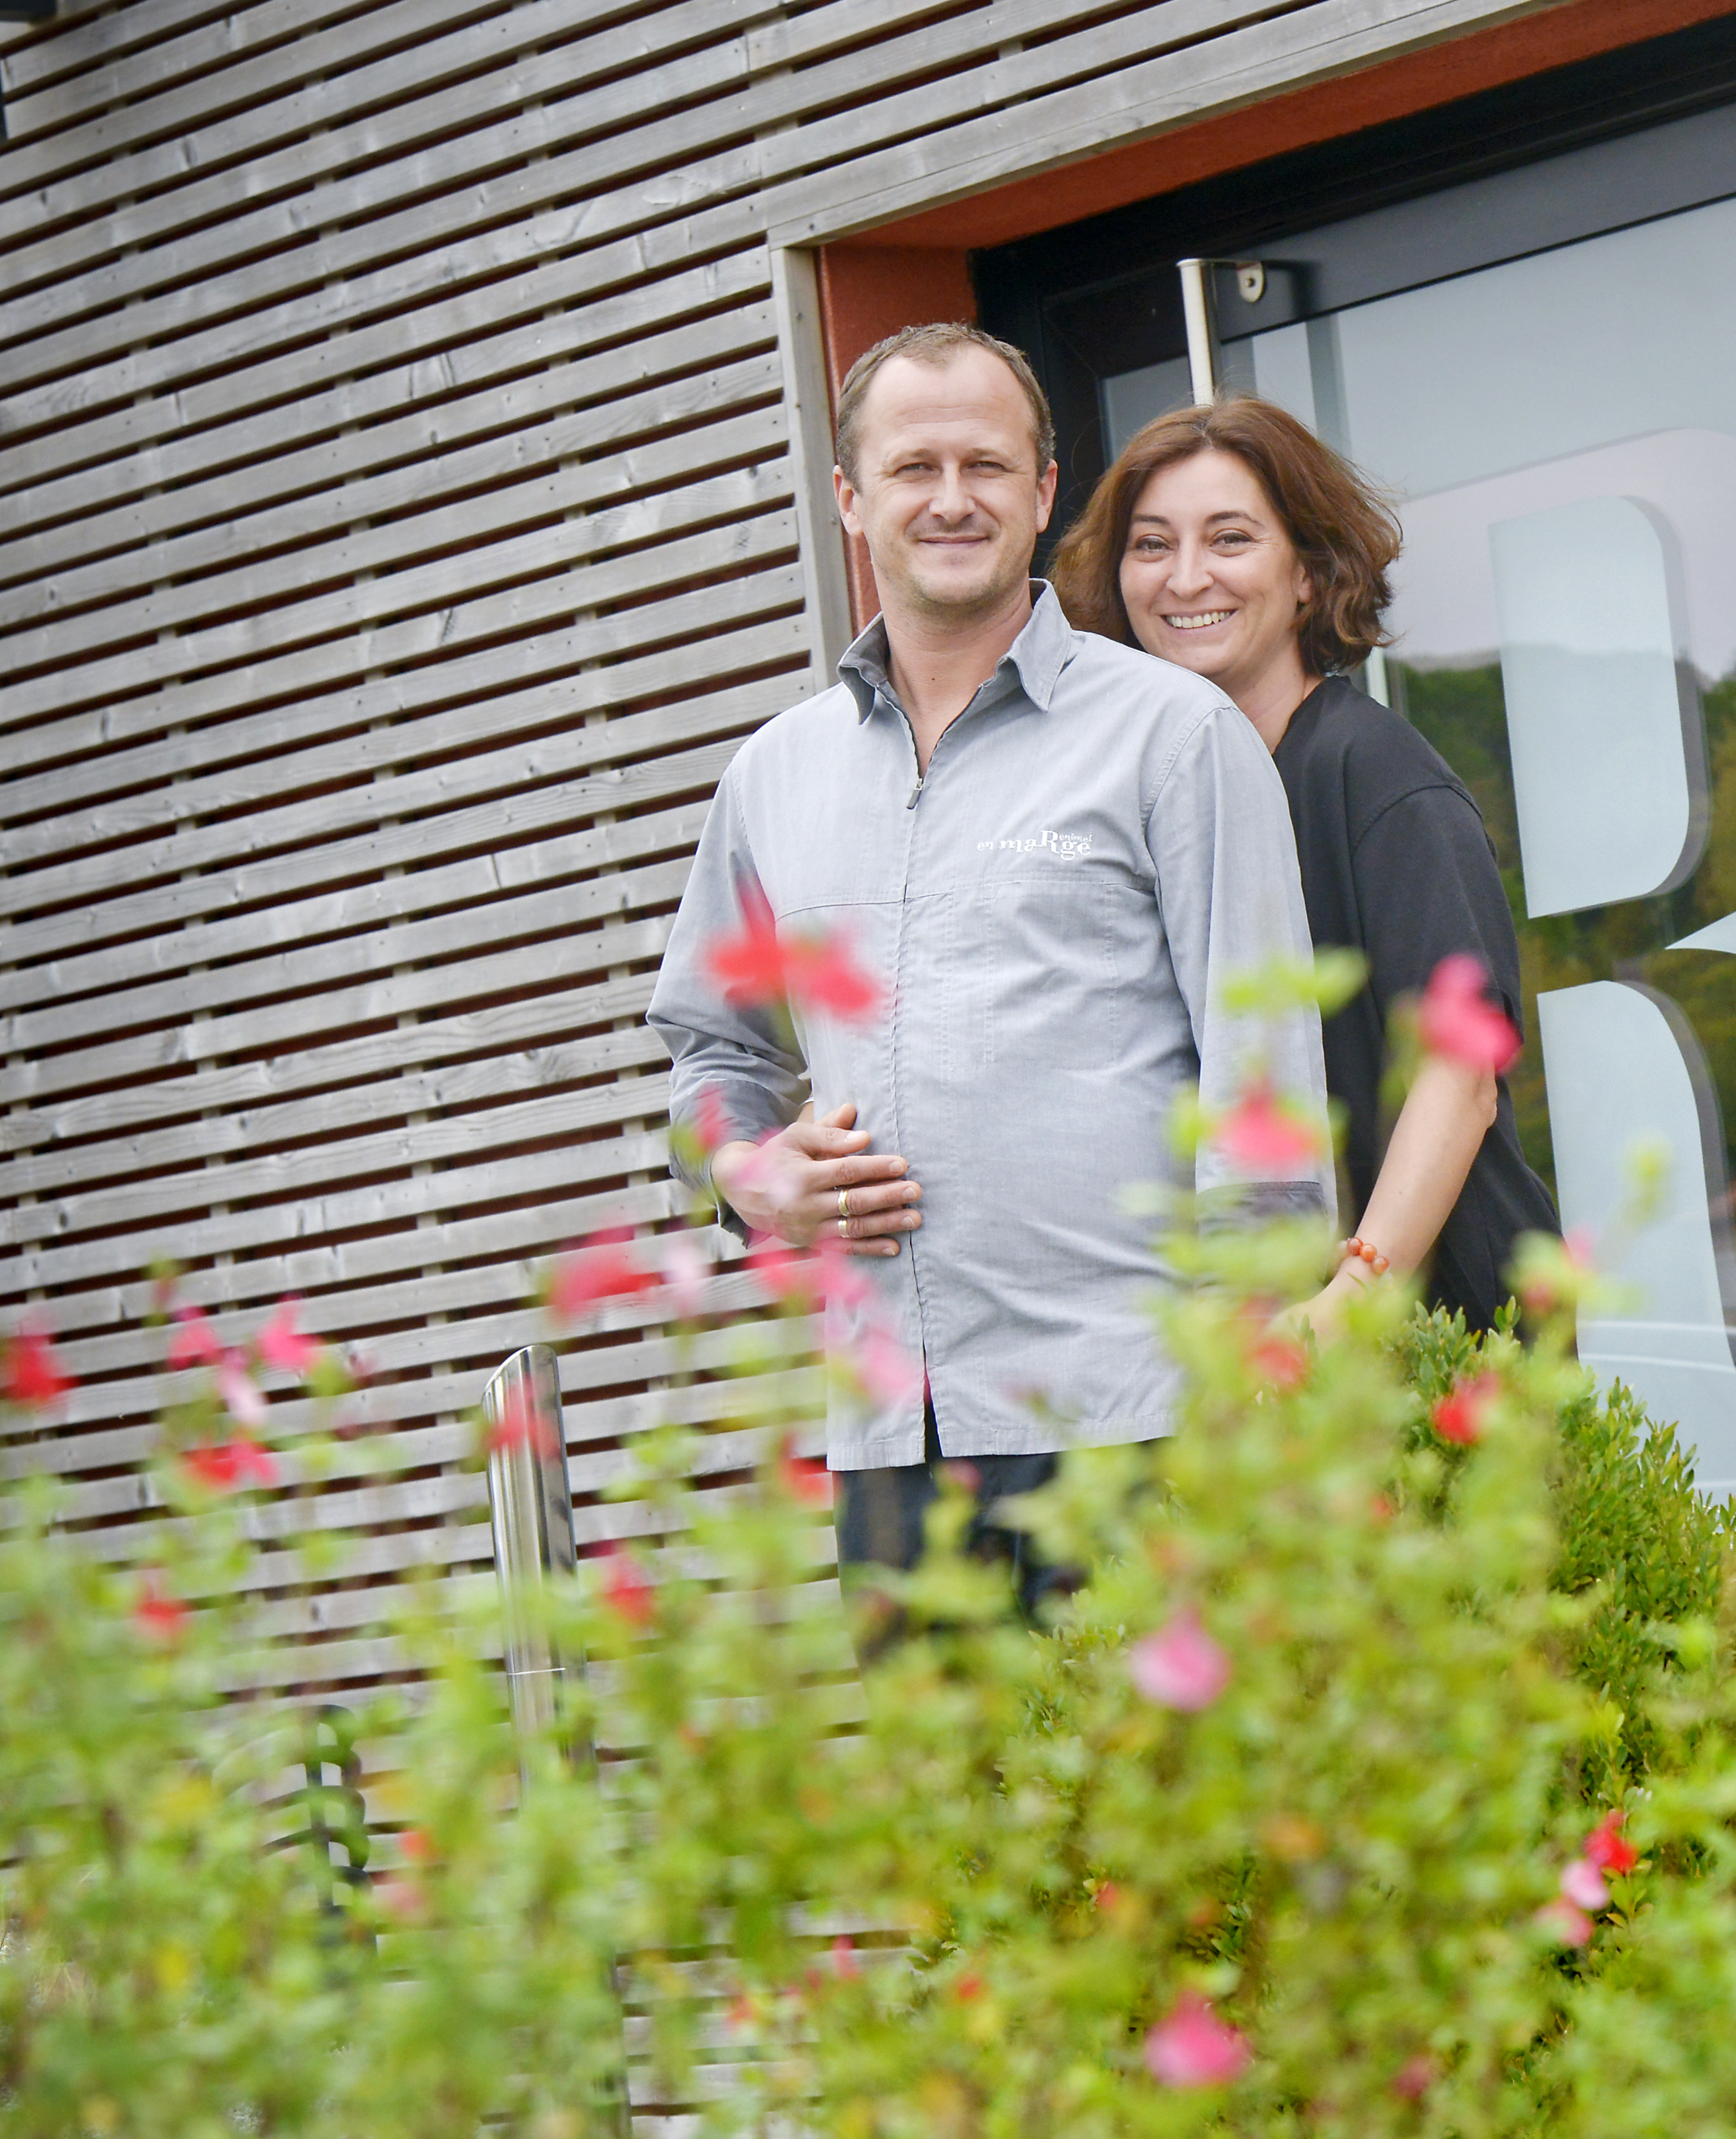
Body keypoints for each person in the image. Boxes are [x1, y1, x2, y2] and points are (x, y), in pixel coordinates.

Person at [645, 325, 1331, 1621]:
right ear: (850, 498)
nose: (951, 499)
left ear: (1044, 490)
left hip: (1141, 1426)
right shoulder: (774, 776)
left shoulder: (1174, 735)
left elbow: (1264, 1086)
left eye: (987, 465)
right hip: (893, 1440)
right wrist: (747, 1174)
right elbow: (713, 1050)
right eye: (914, 468)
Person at [1051, 397, 1555, 1338]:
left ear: (1309, 577)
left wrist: (1351, 1300)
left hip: (1426, 1341)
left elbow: (1462, 1076)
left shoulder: (1374, 773)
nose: (1186, 577)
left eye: (1230, 538)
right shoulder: (1143, 803)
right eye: (1152, 545)